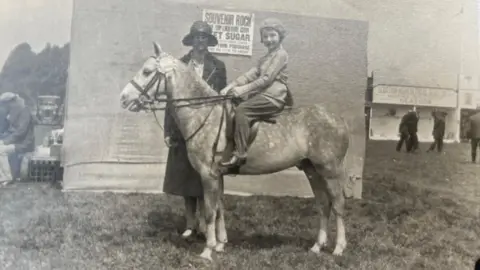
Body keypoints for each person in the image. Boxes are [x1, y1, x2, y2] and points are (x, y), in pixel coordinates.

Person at [162, 20, 227, 238]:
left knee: (207, 176)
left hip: (208, 130)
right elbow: (172, 100)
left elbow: (221, 98)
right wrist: (168, 130)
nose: (201, 42)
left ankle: (205, 221)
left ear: (209, 41)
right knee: (185, 176)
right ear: (191, 40)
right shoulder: (180, 64)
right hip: (184, 127)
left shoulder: (218, 67)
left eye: (205, 38)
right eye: (198, 37)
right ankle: (190, 222)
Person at [220, 18, 294, 167]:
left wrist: (242, 90)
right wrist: (231, 86)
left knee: (242, 110)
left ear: (280, 36)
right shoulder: (265, 58)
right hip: (263, 94)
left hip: (273, 96)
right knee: (234, 104)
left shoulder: (281, 55)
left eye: (272, 35)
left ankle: (240, 154)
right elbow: (251, 75)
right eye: (265, 36)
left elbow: (266, 79)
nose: (269, 39)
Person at [0, 92, 35, 182]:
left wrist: (5, 141)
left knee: (1, 150)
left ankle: (7, 177)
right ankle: (3, 175)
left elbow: (21, 131)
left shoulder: (25, 111)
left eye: (7, 104)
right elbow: (9, 129)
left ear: (13, 102)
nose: (6, 107)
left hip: (25, 143)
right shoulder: (13, 111)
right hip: (16, 141)